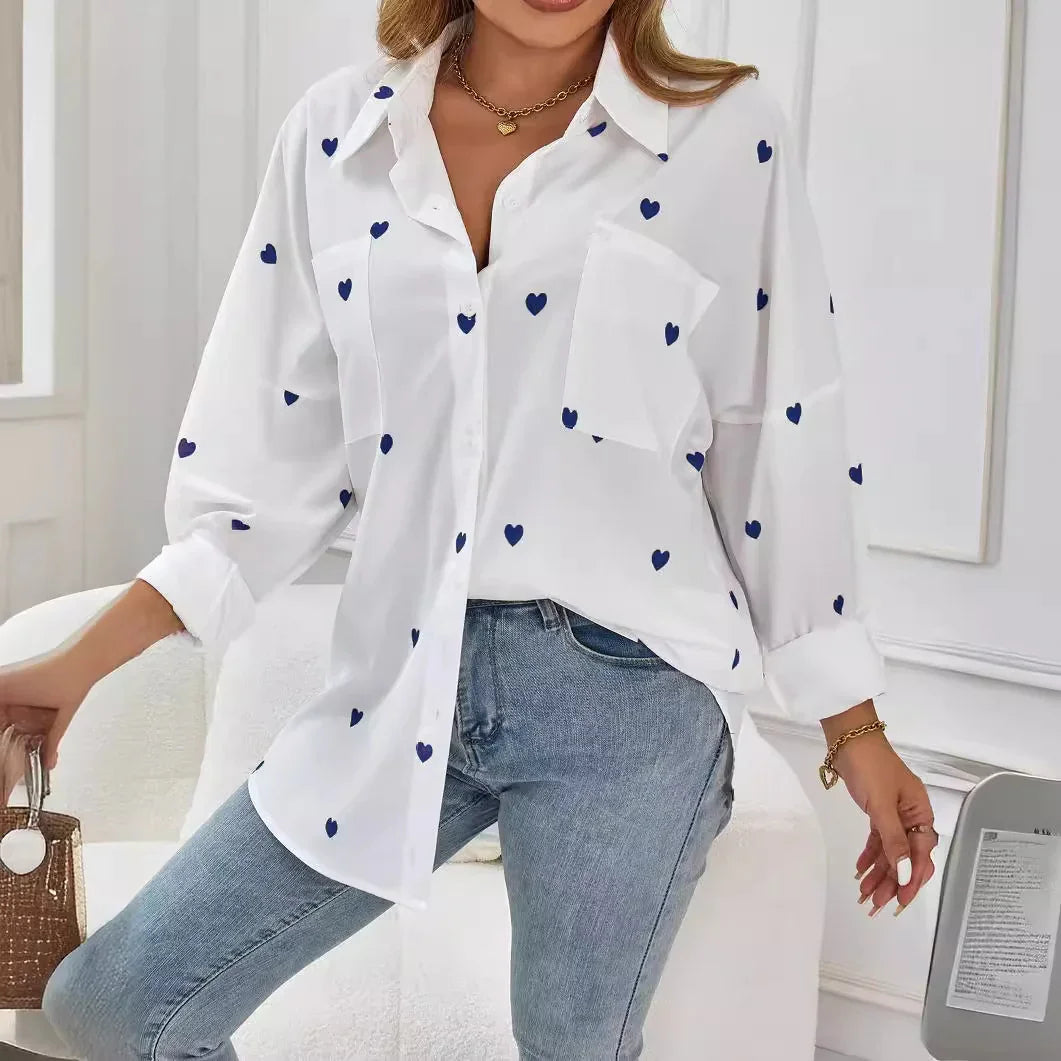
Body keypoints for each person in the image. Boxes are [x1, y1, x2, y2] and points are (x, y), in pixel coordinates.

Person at [0, 0, 940, 1057]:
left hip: (627, 693)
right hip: (400, 676)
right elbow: (252, 492)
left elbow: (781, 437)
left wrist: (851, 726)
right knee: (115, 1003)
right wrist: (76, 666)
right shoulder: (335, 136)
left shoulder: (723, 130)